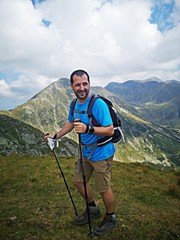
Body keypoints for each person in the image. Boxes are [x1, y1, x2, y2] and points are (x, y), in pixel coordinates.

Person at [44, 69, 117, 236]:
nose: (82, 87)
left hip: (102, 153)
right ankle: (93, 209)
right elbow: (71, 123)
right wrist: (55, 136)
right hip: (85, 152)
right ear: (72, 86)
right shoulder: (74, 104)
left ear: (89, 84)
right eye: (78, 84)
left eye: (85, 83)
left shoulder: (97, 104)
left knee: (103, 188)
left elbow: (110, 130)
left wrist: (88, 129)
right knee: (78, 181)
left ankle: (111, 217)